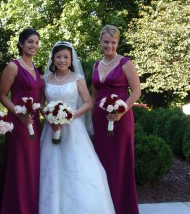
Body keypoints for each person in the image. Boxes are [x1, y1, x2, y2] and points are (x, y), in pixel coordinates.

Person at [39, 41, 116, 214]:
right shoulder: (46, 79)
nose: (62, 60)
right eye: (58, 57)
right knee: (51, 169)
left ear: (71, 59)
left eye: (66, 57)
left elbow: (89, 103)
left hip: (74, 129)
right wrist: (50, 118)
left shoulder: (77, 79)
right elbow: (41, 103)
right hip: (51, 128)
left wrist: (70, 116)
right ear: (53, 59)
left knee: (78, 168)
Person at [91, 24, 141, 214]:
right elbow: (94, 96)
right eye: (106, 41)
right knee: (101, 163)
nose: (109, 46)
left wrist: (121, 110)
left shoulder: (125, 63)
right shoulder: (96, 65)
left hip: (121, 120)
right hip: (100, 121)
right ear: (100, 42)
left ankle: (123, 208)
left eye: (113, 42)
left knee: (120, 164)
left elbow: (136, 92)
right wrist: (91, 121)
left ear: (117, 42)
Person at [0, 28, 43, 214]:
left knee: (32, 165)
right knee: (19, 165)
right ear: (21, 44)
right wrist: (18, 114)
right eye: (30, 42)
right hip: (18, 123)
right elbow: (3, 95)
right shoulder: (13, 67)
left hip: (35, 122)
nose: (34, 45)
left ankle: (30, 207)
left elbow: (40, 97)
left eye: (36, 42)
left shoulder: (36, 69)